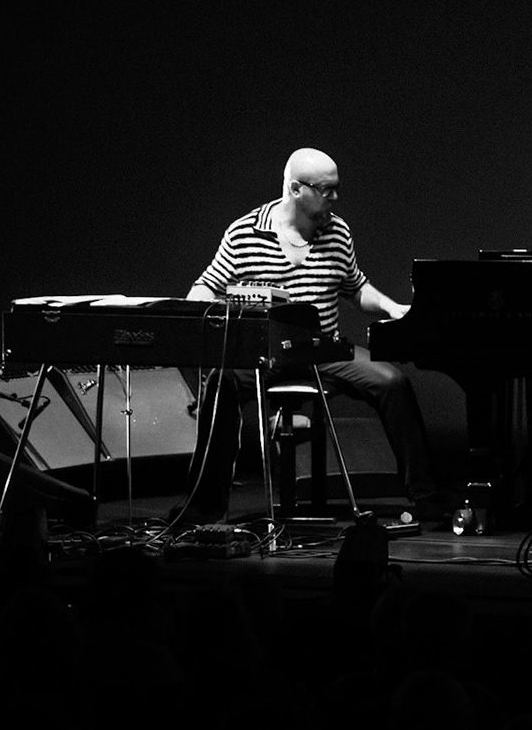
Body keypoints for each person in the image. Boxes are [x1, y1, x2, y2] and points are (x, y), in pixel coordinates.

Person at [176, 148, 445, 524]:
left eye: (336, 189)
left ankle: (427, 501)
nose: (335, 199)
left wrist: (392, 308)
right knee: (220, 382)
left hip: (323, 349)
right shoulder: (244, 233)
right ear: (296, 189)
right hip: (264, 355)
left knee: (393, 383)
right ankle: (203, 508)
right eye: (326, 190)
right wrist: (209, 309)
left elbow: (355, 286)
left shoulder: (336, 231)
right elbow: (205, 287)